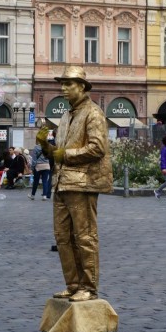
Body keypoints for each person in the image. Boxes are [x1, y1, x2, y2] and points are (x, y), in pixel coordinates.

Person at [36, 65, 113, 302]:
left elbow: (97, 148)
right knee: (63, 237)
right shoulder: (67, 115)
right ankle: (73, 284)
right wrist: (46, 147)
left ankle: (88, 287)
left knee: (84, 236)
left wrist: (64, 155)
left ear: (82, 86)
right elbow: (59, 152)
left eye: (68, 84)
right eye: (62, 84)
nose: (63, 88)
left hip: (83, 183)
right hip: (62, 183)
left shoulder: (93, 113)